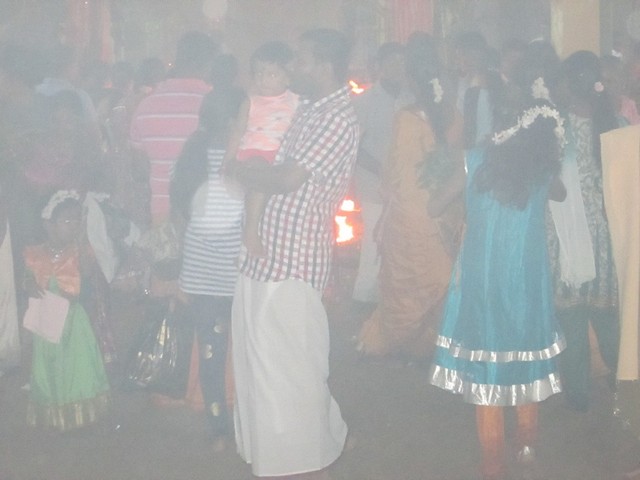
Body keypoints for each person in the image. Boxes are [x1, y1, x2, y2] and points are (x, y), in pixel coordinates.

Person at [227, 28, 358, 479]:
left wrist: (237, 169)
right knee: (259, 361)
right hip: (263, 250)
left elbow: (285, 180)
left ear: (322, 64)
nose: (290, 67)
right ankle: (281, 451)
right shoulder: (305, 108)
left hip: (293, 258)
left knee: (289, 366)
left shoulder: (336, 118)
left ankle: (302, 458)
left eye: (299, 59)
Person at [429, 83, 568, 479]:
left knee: (487, 360)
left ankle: (492, 461)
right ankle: (526, 443)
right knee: (526, 353)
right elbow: (558, 194)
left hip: (484, 279)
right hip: (526, 279)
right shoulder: (541, 168)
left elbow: (434, 204)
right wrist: (549, 152)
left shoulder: (475, 161)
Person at [356, 34, 463, 358]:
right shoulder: (453, 114)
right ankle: (434, 346)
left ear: (412, 77)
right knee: (441, 279)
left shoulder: (407, 117)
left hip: (412, 216)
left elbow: (399, 175)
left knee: (407, 285)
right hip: (446, 209)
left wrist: (391, 199)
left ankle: (404, 344)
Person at [170, 87, 246, 452]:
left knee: (214, 356)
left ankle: (222, 429)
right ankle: (226, 427)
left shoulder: (199, 154)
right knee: (231, 354)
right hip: (228, 276)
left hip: (210, 275)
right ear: (232, 121)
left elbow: (182, 212)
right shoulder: (229, 157)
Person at [548, 51, 620, 412]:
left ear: (570, 84)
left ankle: (578, 394)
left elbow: (552, 186)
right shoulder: (616, 124)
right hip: (606, 234)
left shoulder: (554, 128)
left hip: (566, 235)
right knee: (608, 317)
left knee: (572, 318)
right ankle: (625, 380)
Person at [23, 190, 110, 431]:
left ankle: (82, 416)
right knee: (50, 367)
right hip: (46, 322)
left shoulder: (79, 252)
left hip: (73, 322)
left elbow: (88, 273)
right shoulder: (34, 254)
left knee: (78, 366)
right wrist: (28, 284)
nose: (73, 226)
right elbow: (27, 279)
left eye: (76, 220)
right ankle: (55, 416)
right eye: (67, 220)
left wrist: (81, 242)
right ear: (48, 224)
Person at [130, 31, 218, 224]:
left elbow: (139, 168)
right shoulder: (215, 105)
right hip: (207, 217)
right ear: (209, 64)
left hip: (160, 217)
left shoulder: (146, 105)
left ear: (178, 59)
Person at [350, 41, 412, 304]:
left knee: (405, 243)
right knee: (374, 243)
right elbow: (354, 147)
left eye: (402, 62)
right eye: (392, 62)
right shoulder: (364, 101)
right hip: (374, 186)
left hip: (407, 186)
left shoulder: (412, 98)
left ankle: (396, 300)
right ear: (379, 66)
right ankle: (364, 299)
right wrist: (383, 171)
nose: (398, 68)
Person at [225, 41, 299, 256]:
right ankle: (250, 230)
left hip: (280, 157)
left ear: (287, 77)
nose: (263, 79)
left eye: (271, 74)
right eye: (258, 73)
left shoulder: (296, 102)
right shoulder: (251, 102)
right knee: (260, 180)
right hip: (254, 153)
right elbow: (237, 132)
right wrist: (228, 161)